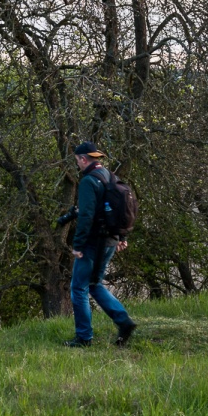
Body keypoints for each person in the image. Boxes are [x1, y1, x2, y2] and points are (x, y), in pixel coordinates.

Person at [64, 142, 137, 348]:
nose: (77, 164)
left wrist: (77, 245)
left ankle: (84, 338)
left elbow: (86, 216)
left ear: (84, 159)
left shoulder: (89, 181)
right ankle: (124, 322)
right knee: (94, 284)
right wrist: (121, 237)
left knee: (78, 288)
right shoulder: (109, 176)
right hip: (110, 241)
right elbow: (117, 210)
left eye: (77, 160)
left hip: (93, 244)